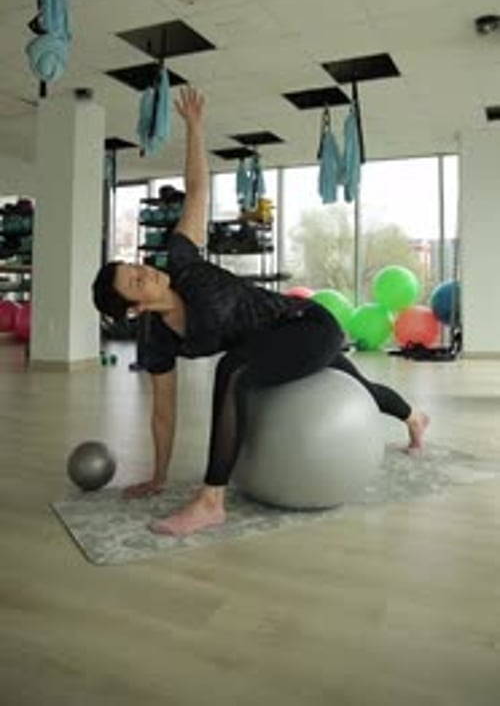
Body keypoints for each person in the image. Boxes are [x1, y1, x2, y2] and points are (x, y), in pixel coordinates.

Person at [92, 86, 429, 537]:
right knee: (358, 386)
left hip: (306, 323)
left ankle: (212, 500)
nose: (146, 272)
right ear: (134, 310)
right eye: (135, 281)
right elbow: (163, 413)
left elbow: (196, 191)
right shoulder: (158, 339)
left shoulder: (182, 261)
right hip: (273, 345)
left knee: (233, 370)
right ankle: (414, 419)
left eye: (138, 266)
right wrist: (158, 476)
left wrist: (194, 128)